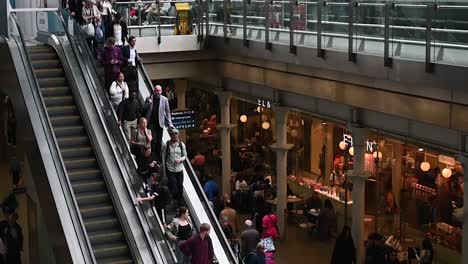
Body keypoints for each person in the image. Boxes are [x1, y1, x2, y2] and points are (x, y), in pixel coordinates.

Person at [143, 85, 174, 161]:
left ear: (161, 91)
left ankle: (157, 156)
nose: (158, 92)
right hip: (150, 122)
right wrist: (148, 103)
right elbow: (143, 109)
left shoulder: (164, 99)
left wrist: (170, 123)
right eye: (157, 90)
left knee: (159, 140)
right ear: (154, 91)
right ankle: (151, 154)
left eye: (159, 90)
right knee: (151, 139)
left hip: (160, 122)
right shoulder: (149, 98)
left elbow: (167, 112)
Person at [162, 128, 187, 206]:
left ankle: (179, 201)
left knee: (180, 184)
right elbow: (163, 157)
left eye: (177, 136)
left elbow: (185, 155)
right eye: (174, 136)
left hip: (179, 168)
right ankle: (173, 197)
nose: (176, 138)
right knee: (173, 185)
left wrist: (180, 159)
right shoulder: (167, 145)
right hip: (170, 168)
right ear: (171, 136)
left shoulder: (181, 145)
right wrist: (164, 170)